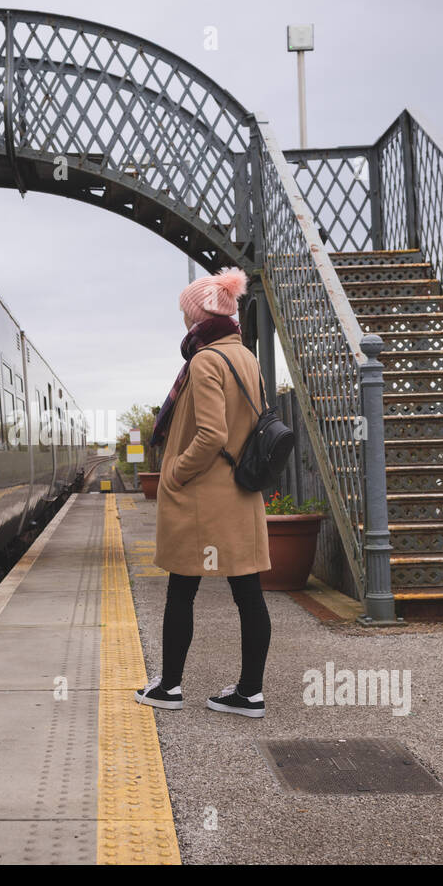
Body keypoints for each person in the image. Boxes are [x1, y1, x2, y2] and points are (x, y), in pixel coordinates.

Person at [135, 267, 271, 718]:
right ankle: (250, 691)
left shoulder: (206, 360)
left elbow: (211, 434)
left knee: (181, 591)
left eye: (185, 315)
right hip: (241, 493)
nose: (183, 323)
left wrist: (175, 471)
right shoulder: (246, 357)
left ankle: (170, 687)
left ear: (198, 317)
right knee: (248, 594)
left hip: (203, 497)